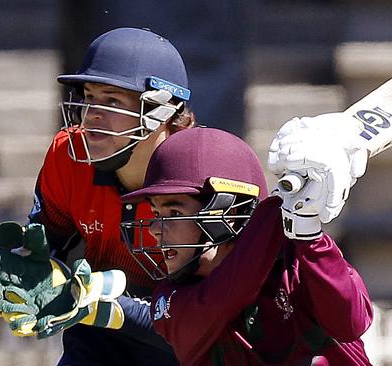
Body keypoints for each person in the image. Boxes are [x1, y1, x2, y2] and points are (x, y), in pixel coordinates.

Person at [0, 27, 194, 365]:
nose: (91, 116)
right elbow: (50, 245)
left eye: (112, 100)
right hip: (96, 342)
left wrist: (108, 306)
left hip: (187, 348)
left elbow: (214, 318)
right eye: (89, 97)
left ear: (160, 110)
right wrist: (34, 269)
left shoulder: (204, 174)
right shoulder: (68, 156)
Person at [119, 121, 374, 365]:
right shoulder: (170, 302)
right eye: (155, 214)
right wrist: (281, 204)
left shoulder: (301, 260)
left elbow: (351, 323)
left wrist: (308, 233)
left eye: (173, 214)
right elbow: (229, 292)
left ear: (225, 213)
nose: (154, 229)